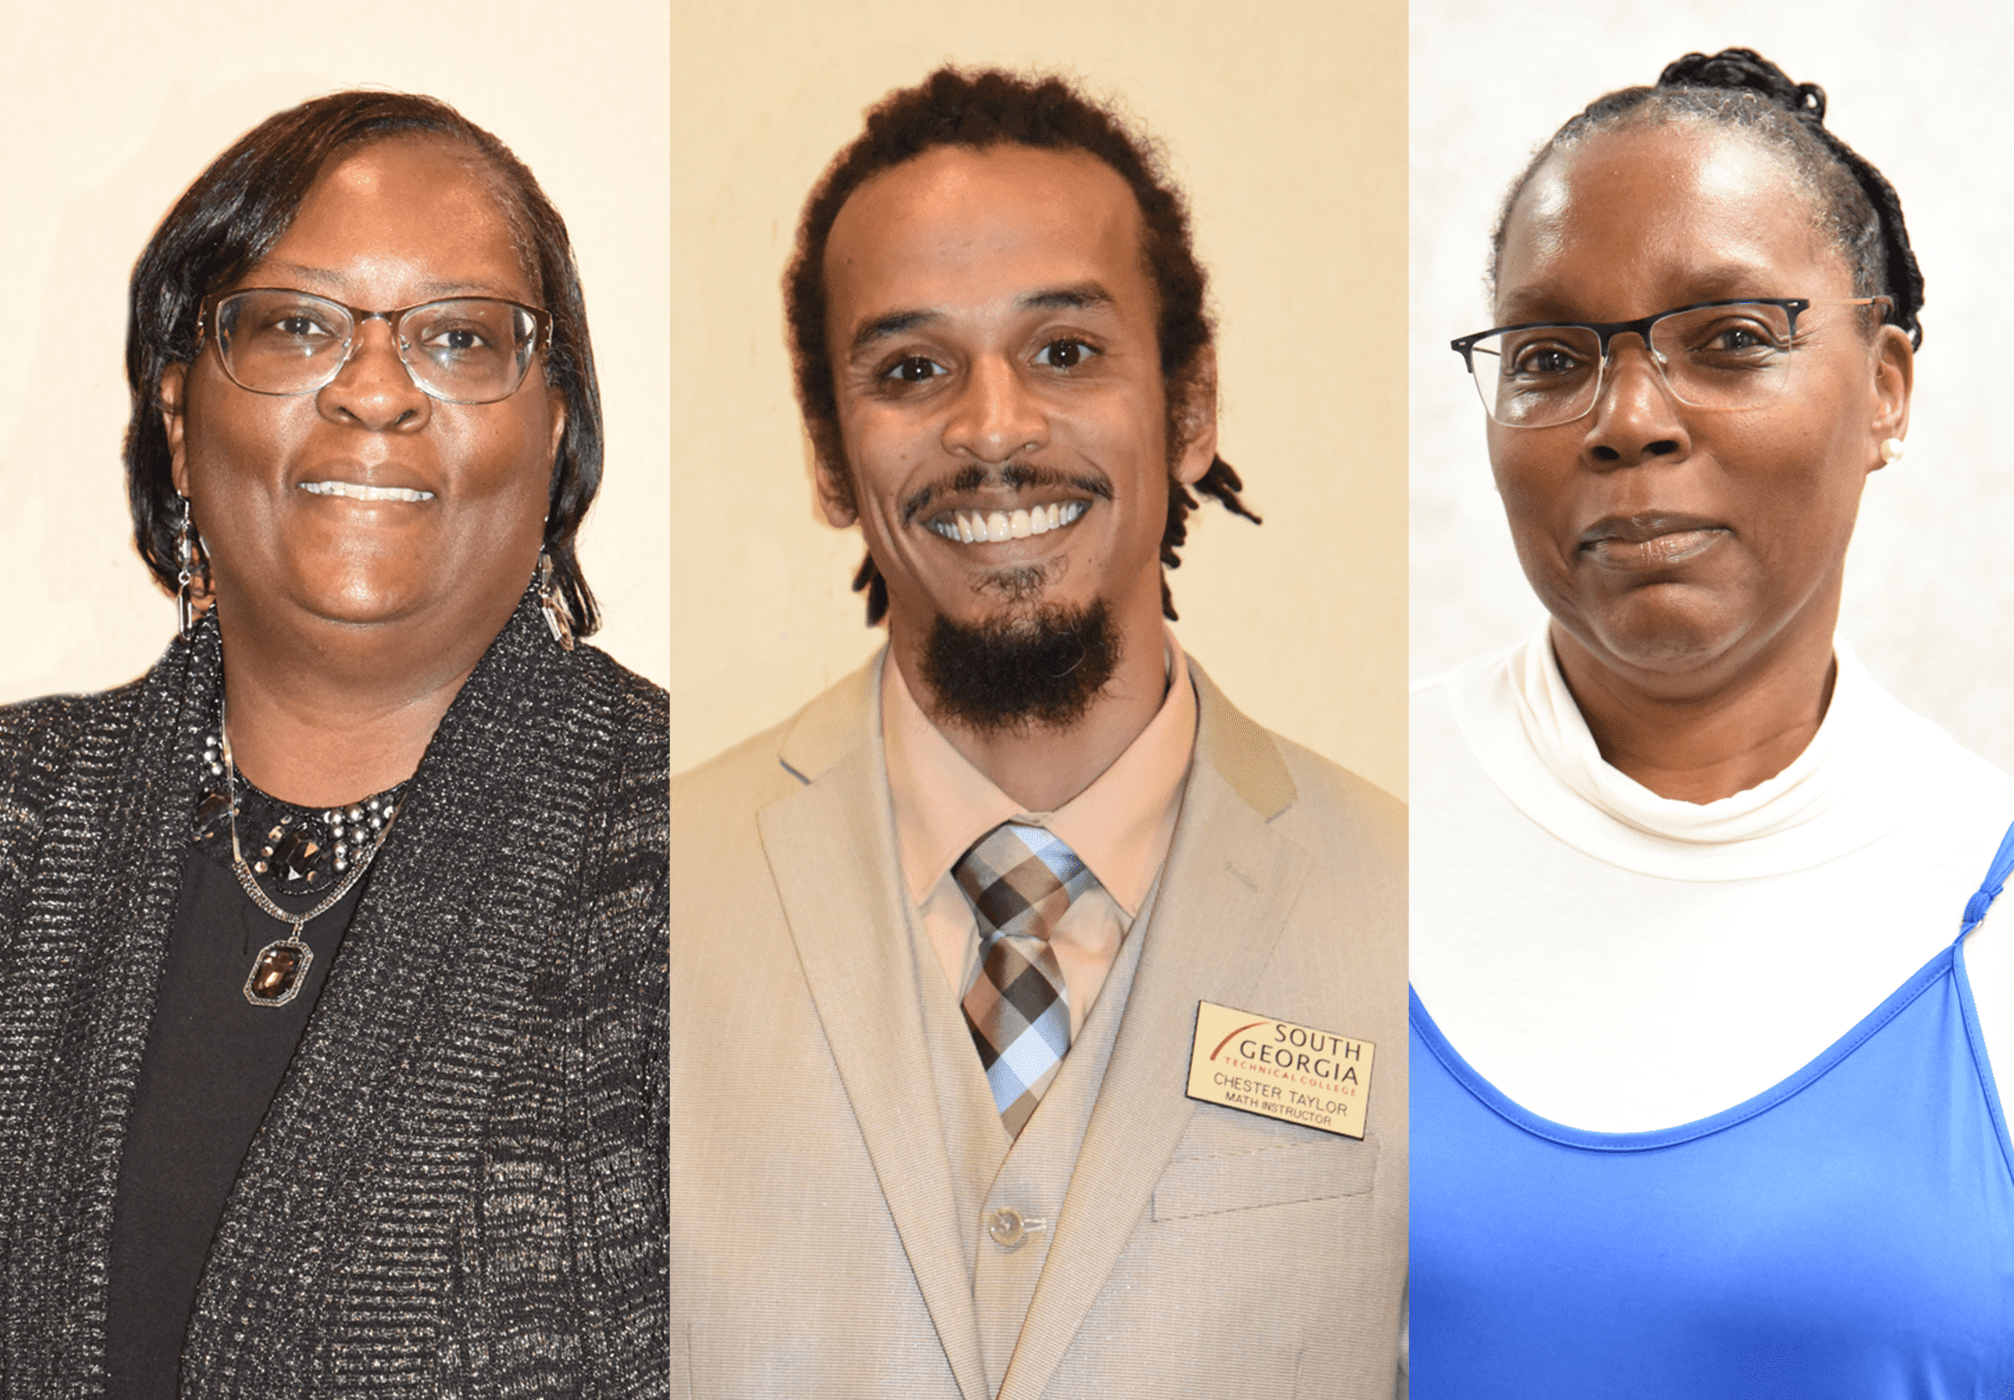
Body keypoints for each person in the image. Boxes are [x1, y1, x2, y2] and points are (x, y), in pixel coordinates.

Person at [668, 67, 1405, 1398]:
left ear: (1187, 409)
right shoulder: (629, 903)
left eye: (1064, 352)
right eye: (910, 368)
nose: (992, 427)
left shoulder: (1418, 923)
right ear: (831, 459)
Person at [0, 93, 668, 1395]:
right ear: (183, 423)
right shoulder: (18, 824)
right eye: (297, 326)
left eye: (461, 339)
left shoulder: (722, 862)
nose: (373, 390)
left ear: (554, 434)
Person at [1410, 49, 2014, 1393]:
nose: (1626, 419)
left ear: (1886, 389)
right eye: (1549, 356)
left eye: (1731, 339)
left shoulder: (1985, 900)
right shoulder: (1333, 834)